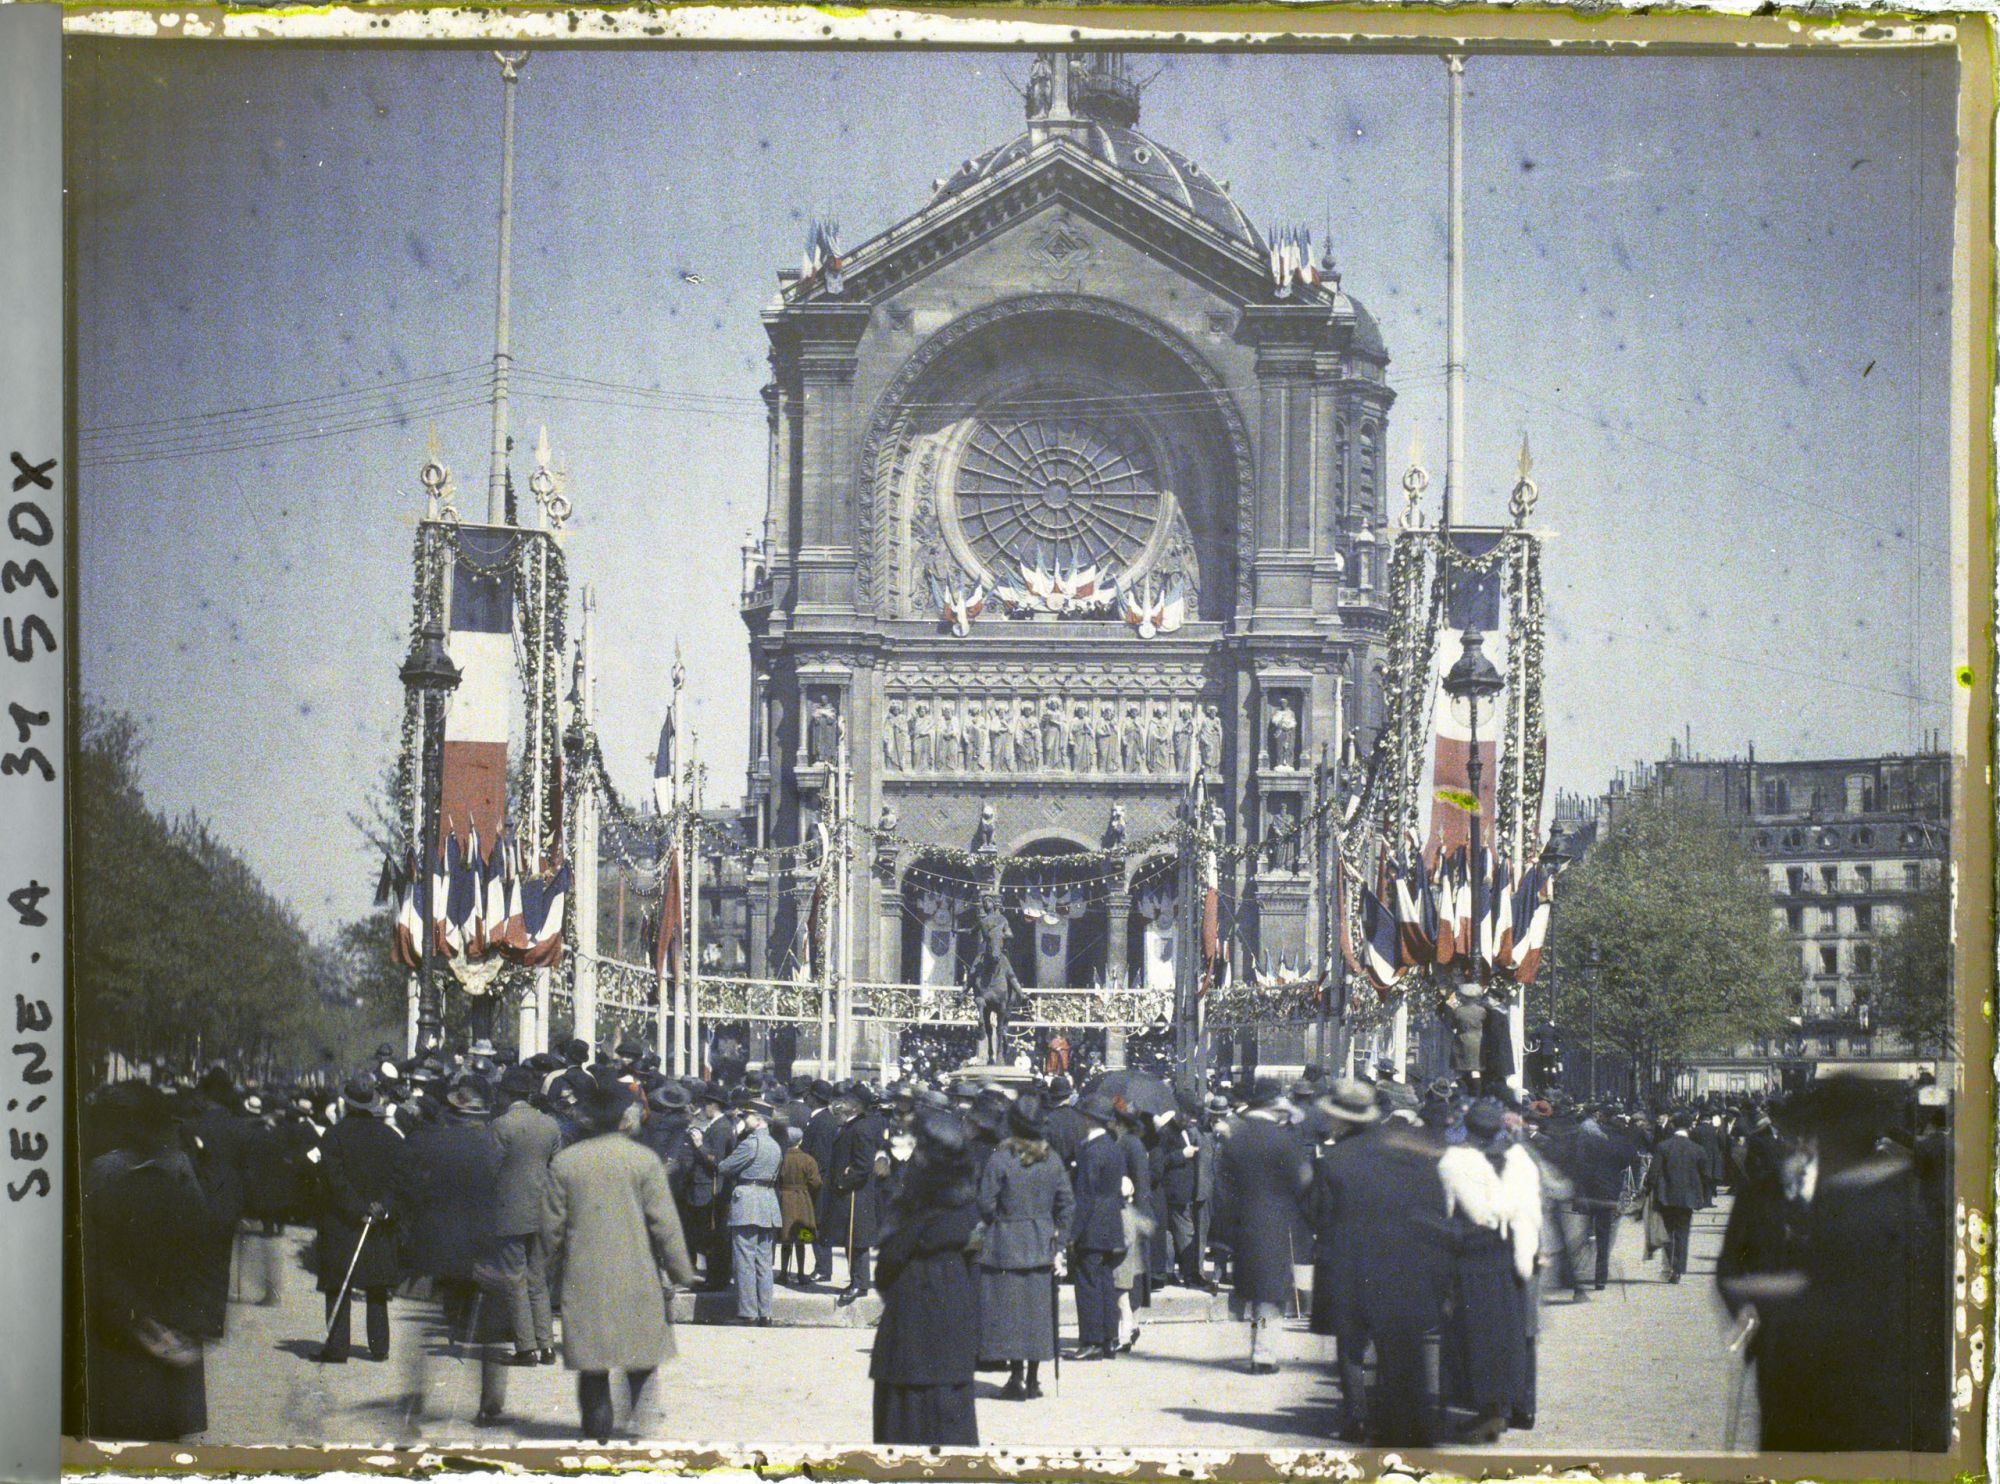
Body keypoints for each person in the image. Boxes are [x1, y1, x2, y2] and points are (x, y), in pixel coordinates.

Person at [1717, 1074, 1950, 1451]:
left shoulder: (1901, 1198)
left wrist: (1779, 1295)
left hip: (1879, 1395)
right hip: (1789, 1378)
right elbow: (1729, 1267)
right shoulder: (1766, 1190)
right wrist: (1748, 1314)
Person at [542, 1077, 699, 1444]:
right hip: (637, 1274)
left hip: (585, 1277)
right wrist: (681, 1270)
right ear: (622, 1118)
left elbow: (550, 1228)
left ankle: (597, 1435)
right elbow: (665, 1223)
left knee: (593, 1366)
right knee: (641, 1360)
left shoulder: (566, 1162)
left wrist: (541, 1269)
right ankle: (639, 1432)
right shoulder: (644, 1161)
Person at [1308, 1078, 1450, 1446]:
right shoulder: (1408, 1154)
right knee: (1395, 1348)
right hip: (1403, 1267)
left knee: (1351, 1347)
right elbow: (1434, 1209)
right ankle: (1397, 1415)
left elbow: (1318, 1215)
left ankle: (1355, 1416)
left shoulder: (1335, 1161)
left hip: (1350, 1267)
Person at [82, 1083, 210, 1441]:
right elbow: (201, 1237)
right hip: (164, 1318)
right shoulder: (179, 1166)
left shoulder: (100, 1170)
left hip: (121, 1323)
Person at [396, 1081, 511, 1424]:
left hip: (441, 1245)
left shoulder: (434, 1144)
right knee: (490, 1331)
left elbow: (416, 1191)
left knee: (430, 1322)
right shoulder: (494, 1147)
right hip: (483, 1244)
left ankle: (416, 1395)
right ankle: (490, 1402)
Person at [870, 1108, 983, 1446]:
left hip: (909, 1319)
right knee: (951, 1427)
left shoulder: (912, 1205)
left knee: (904, 1429)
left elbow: (887, 1266)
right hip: (955, 1321)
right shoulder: (968, 1205)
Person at [1438, 1097, 1541, 1440]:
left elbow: (1449, 1208)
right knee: (1510, 1334)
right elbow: (1527, 1210)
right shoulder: (1517, 1160)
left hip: (1471, 1256)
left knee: (1476, 1336)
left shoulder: (1455, 1161)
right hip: (1509, 1253)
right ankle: (1509, 1406)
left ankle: (1489, 1409)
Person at [976, 1090, 1073, 1400]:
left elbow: (985, 1202)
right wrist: (1060, 1241)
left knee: (1009, 1315)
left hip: (1004, 1244)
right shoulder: (1053, 1160)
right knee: (1037, 1315)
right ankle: (1033, 1379)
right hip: (1041, 1242)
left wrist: (999, 1219)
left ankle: (1015, 1377)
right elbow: (1066, 1204)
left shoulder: (1001, 1158)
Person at [1216, 1079, 1311, 1374]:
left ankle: (1257, 1346)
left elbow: (1223, 1186)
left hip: (1243, 1224)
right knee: (1271, 1295)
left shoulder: (1236, 1139)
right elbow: (1303, 1182)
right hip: (1275, 1223)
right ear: (1273, 1104)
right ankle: (1263, 1354)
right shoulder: (1283, 1140)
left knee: (1256, 1292)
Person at [313, 1074, 405, 1363]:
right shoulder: (391, 1138)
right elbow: (400, 1180)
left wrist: (358, 1208)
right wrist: (382, 1207)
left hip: (343, 1222)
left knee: (338, 1283)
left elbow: (333, 1180)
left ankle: (338, 1347)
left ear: (347, 1103)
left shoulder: (334, 1136)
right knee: (376, 1286)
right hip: (379, 1223)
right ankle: (379, 1346)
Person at [489, 1063, 562, 1366]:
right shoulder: (549, 1125)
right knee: (538, 1279)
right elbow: (557, 1167)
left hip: (510, 1211)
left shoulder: (500, 1126)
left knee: (515, 1279)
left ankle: (525, 1347)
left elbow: (490, 1170)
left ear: (507, 1094)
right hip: (543, 1209)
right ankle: (546, 1345)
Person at [1068, 1092, 1128, 1361]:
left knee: (1088, 1282)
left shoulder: (1091, 1151)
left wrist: (1072, 1232)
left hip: (1091, 1224)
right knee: (1104, 1281)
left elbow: (1085, 1196)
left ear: (1089, 1119)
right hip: (1110, 1222)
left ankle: (1091, 1340)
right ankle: (1108, 1338)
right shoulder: (1113, 1147)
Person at [715, 1096, 784, 1325]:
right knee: (764, 1261)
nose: (744, 1120)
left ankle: (747, 1312)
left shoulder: (750, 1143)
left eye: (747, 1116)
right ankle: (766, 1312)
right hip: (768, 1202)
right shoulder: (774, 1145)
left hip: (747, 1202)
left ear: (758, 1119)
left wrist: (737, 1135)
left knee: (744, 1259)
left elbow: (724, 1167)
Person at [829, 1087, 889, 1303]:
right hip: (853, 1190)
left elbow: (863, 1166)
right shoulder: (853, 1124)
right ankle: (858, 1281)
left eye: (846, 1100)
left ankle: (859, 1282)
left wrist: (843, 1180)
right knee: (851, 1239)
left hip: (856, 1192)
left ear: (856, 1105)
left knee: (856, 1239)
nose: (841, 1103)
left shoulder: (860, 1127)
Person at [1570, 1105, 1636, 1291]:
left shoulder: (1590, 1138)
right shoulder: (1620, 1141)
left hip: (1589, 1192)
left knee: (1582, 1233)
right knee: (1604, 1236)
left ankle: (1577, 1272)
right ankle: (1600, 1277)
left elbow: (1578, 1162)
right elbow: (1629, 1161)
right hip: (1609, 1194)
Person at [1648, 1112, 1710, 1283]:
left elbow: (1653, 1173)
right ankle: (1679, 1268)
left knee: (1667, 1232)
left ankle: (1670, 1265)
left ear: (1673, 1126)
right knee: (1683, 1233)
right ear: (1690, 1127)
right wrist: (1701, 1194)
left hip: (1666, 1197)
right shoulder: (1697, 1149)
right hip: (1688, 1198)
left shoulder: (1663, 1146)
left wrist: (1647, 1189)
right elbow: (1706, 1175)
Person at [776, 1120, 823, 1286]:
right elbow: (816, 1183)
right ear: (800, 1141)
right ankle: (801, 1274)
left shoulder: (780, 1157)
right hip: (802, 1200)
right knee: (801, 1239)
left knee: (786, 1237)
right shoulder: (808, 1159)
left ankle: (782, 1273)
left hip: (784, 1199)